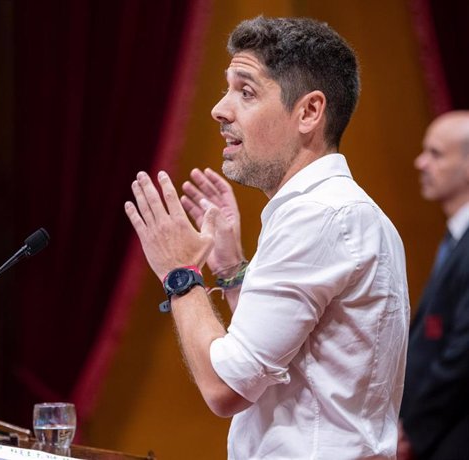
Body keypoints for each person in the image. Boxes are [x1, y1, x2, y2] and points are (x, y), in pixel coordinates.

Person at [124, 16, 410, 459]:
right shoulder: (338, 210)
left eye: (246, 91)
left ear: (309, 112)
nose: (220, 109)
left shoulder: (319, 217)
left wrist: (181, 273)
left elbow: (226, 388)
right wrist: (232, 269)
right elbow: (281, 360)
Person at [398, 111, 469, 460]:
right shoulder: (457, 238)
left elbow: (461, 358)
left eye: (436, 154)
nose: (420, 162)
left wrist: (413, 430)